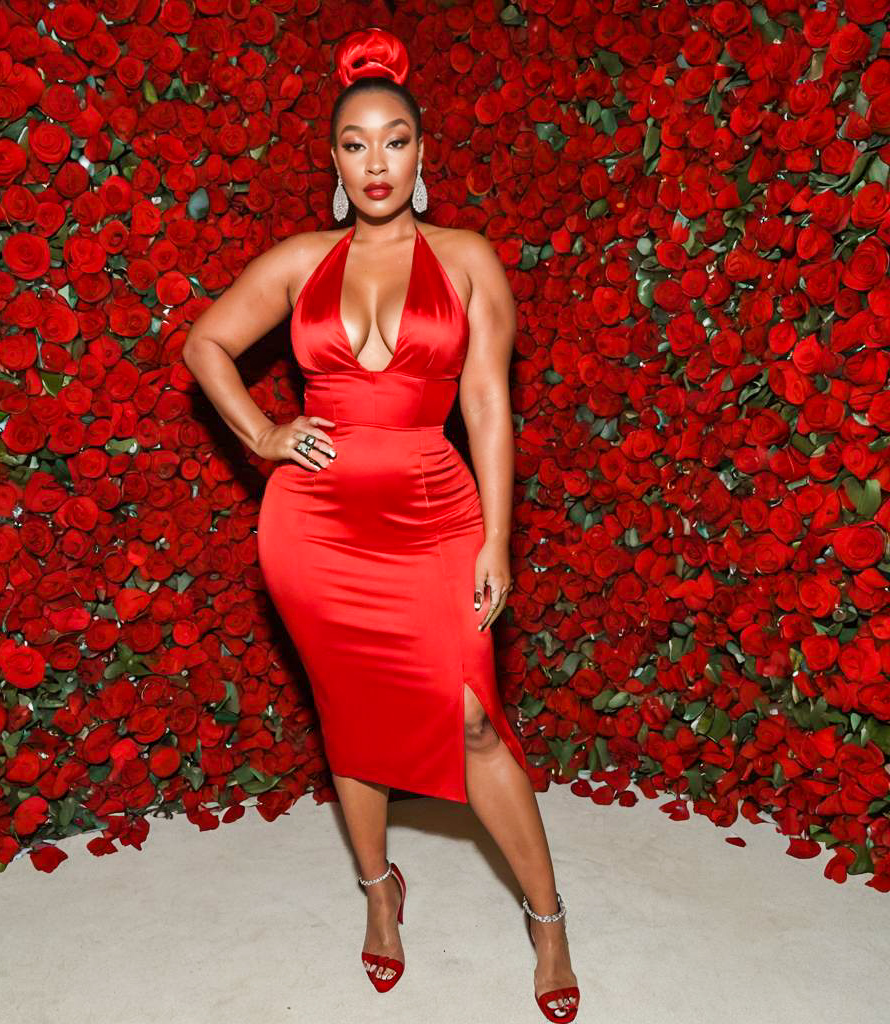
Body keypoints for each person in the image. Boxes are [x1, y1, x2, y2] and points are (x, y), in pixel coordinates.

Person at [181, 25, 580, 1023]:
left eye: (394, 141)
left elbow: (487, 404)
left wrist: (496, 538)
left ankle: (547, 918)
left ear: (421, 153)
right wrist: (263, 433)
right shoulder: (301, 260)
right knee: (350, 720)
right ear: (333, 159)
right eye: (355, 144)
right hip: (311, 530)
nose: (375, 162)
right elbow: (204, 344)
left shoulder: (465, 257)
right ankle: (378, 893)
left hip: (435, 515)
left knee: (473, 716)